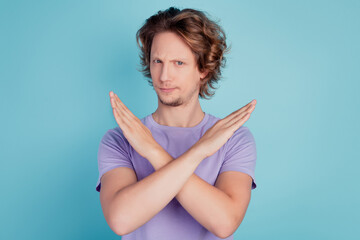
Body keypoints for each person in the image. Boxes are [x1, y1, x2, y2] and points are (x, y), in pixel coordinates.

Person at [95, 6, 257, 240]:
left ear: (203, 69)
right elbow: (121, 220)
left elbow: (224, 223)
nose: (164, 76)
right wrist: (199, 152)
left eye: (178, 63)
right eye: (157, 61)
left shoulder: (234, 139)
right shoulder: (119, 139)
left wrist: (153, 152)